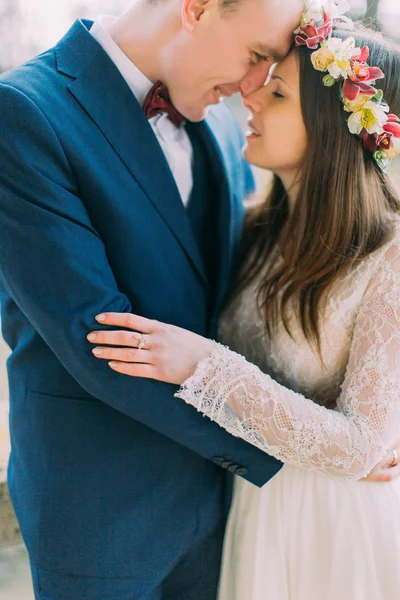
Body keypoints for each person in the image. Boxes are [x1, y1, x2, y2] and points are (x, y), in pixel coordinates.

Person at [0, 0, 315, 598]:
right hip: (101, 515)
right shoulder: (22, 112)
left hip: (225, 510)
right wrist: (303, 447)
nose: (255, 85)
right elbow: (98, 340)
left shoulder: (224, 122)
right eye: (256, 56)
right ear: (196, 9)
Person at [88, 4, 400, 598]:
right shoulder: (254, 230)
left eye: (277, 93)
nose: (249, 98)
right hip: (250, 511)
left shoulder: (390, 257)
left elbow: (363, 443)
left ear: (335, 125)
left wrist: (204, 365)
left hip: (335, 529)